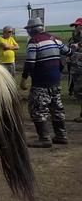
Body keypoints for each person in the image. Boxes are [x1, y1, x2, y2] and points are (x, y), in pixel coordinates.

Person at [19, 18, 71, 147]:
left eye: (28, 30)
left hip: (40, 82)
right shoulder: (55, 39)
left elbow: (30, 63)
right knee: (57, 108)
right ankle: (61, 136)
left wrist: (24, 79)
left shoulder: (34, 42)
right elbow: (68, 52)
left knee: (38, 109)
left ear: (31, 30)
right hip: (56, 81)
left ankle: (44, 138)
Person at [67, 17, 82, 122]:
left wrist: (78, 45)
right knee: (77, 91)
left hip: (80, 67)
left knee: (80, 91)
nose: (75, 28)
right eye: (75, 26)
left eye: (77, 26)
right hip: (75, 67)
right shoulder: (73, 37)